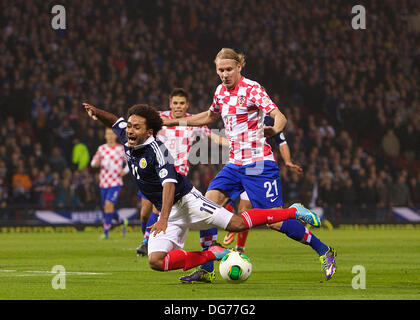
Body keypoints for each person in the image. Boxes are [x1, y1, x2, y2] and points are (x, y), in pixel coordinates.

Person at [82, 102, 320, 276]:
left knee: (236, 223)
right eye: (130, 127)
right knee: (156, 261)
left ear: (149, 132)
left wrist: (162, 218)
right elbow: (114, 120)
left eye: (135, 127)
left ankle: (292, 211)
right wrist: (96, 112)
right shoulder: (128, 137)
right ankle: (212, 254)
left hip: (187, 201)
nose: (130, 131)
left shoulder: (158, 151)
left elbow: (169, 185)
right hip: (168, 212)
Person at [162, 48, 337, 280]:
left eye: (228, 69)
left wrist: (275, 127)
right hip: (234, 164)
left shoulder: (252, 89)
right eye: (220, 70)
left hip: (259, 165)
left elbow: (279, 115)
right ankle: (206, 268)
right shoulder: (220, 92)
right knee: (206, 207)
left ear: (239, 67)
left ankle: (323, 249)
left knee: (275, 221)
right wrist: (176, 122)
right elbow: (210, 116)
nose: (224, 74)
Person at [136, 88, 230, 284]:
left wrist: (234, 143)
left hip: (177, 180)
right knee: (147, 211)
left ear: (187, 105)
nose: (178, 106)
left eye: (182, 103)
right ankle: (148, 239)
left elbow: (214, 138)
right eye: (175, 103)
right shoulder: (159, 118)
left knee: (198, 214)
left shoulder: (193, 122)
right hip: (156, 174)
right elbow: (140, 128)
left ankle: (206, 262)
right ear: (170, 104)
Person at [223, 122, 303, 253]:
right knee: (230, 202)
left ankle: (236, 236)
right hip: (239, 165)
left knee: (274, 219)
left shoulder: (267, 120)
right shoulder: (237, 115)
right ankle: (239, 244)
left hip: (258, 170)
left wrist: (288, 161)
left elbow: (281, 141)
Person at [91, 127, 129, 239]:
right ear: (105, 136)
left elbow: (130, 162)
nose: (110, 136)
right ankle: (122, 222)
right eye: (108, 134)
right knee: (108, 207)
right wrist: (96, 163)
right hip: (103, 183)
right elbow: (93, 162)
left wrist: (124, 171)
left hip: (116, 182)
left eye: (112, 134)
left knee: (108, 204)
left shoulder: (121, 149)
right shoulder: (101, 149)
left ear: (116, 135)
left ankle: (106, 232)